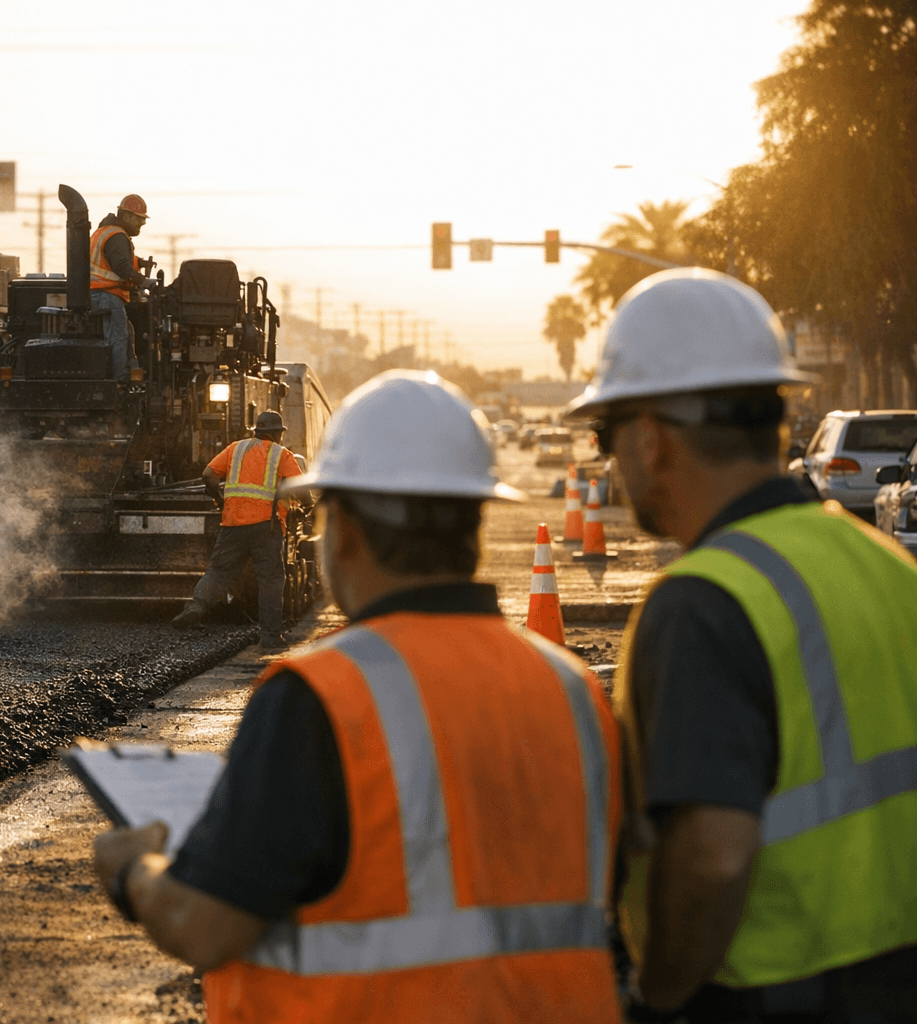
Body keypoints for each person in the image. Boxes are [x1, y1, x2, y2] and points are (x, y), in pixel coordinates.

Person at [96, 371, 624, 1022]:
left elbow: (204, 927)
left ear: (340, 529)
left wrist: (133, 873)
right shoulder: (575, 692)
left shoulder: (320, 698)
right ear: (476, 525)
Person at [565, 268, 917, 1023]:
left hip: (777, 996)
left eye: (605, 434)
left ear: (652, 440)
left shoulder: (702, 604)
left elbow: (713, 858)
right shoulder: (888, 567)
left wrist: (655, 997)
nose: (607, 460)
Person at [171, 410, 303, 649]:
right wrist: (310, 504)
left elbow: (208, 474)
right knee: (270, 581)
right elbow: (301, 488)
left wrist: (220, 500)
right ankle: (271, 637)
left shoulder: (235, 448)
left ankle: (195, 608)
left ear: (257, 430)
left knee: (219, 572)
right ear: (275, 433)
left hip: (232, 525)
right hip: (267, 528)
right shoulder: (282, 454)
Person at [89, 194, 149, 381]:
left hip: (99, 293)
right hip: (106, 294)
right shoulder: (116, 235)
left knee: (127, 331)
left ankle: (131, 372)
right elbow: (121, 267)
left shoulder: (106, 232)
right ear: (127, 216)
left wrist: (139, 262)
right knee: (118, 337)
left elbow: (116, 258)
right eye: (139, 219)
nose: (142, 223)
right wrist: (144, 282)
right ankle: (120, 380)